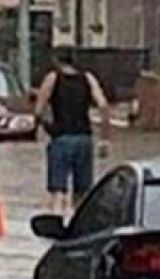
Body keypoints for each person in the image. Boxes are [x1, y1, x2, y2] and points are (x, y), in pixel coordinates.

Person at [33, 46, 112, 214]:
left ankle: (57, 220)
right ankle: (79, 227)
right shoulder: (88, 78)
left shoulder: (53, 78)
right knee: (82, 192)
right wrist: (105, 138)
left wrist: (47, 128)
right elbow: (103, 105)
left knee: (58, 190)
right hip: (84, 139)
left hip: (61, 139)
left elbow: (38, 110)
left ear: (56, 60)